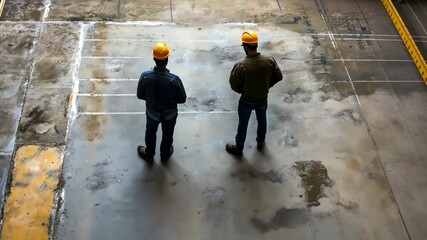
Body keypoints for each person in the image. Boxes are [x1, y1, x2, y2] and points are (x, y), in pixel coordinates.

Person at [226, 30, 283, 157]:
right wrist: (267, 85)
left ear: (245, 47)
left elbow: (233, 84)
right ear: (256, 45)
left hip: (246, 100)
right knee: (262, 120)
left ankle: (239, 148)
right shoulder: (269, 60)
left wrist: (242, 90)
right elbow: (279, 76)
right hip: (263, 97)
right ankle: (261, 142)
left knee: (243, 124)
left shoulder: (240, 65)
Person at [137, 42, 187, 163]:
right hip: (169, 114)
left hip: (152, 113)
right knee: (168, 134)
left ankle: (149, 154)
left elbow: (140, 95)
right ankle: (165, 154)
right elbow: (182, 99)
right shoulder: (174, 80)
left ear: (154, 59)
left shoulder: (145, 76)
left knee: (150, 133)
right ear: (167, 59)